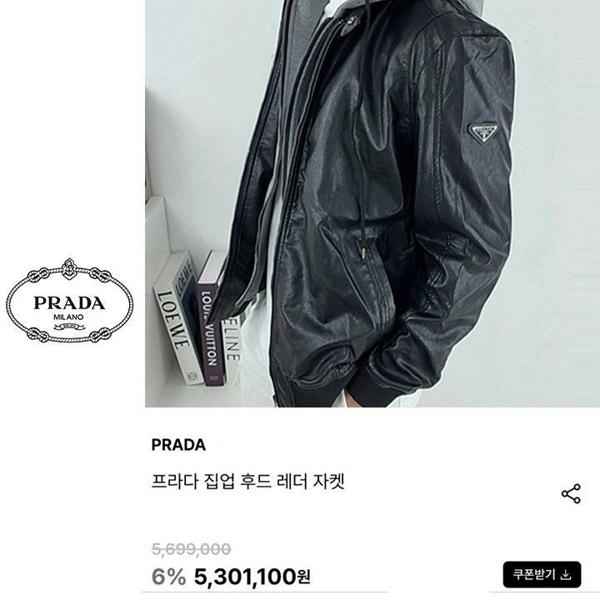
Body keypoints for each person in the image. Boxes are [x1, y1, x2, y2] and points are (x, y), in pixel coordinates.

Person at [208, 0, 514, 408]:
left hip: (348, 375)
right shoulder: (313, 8)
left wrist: (375, 387)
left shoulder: (452, 41)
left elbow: (472, 248)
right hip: (268, 340)